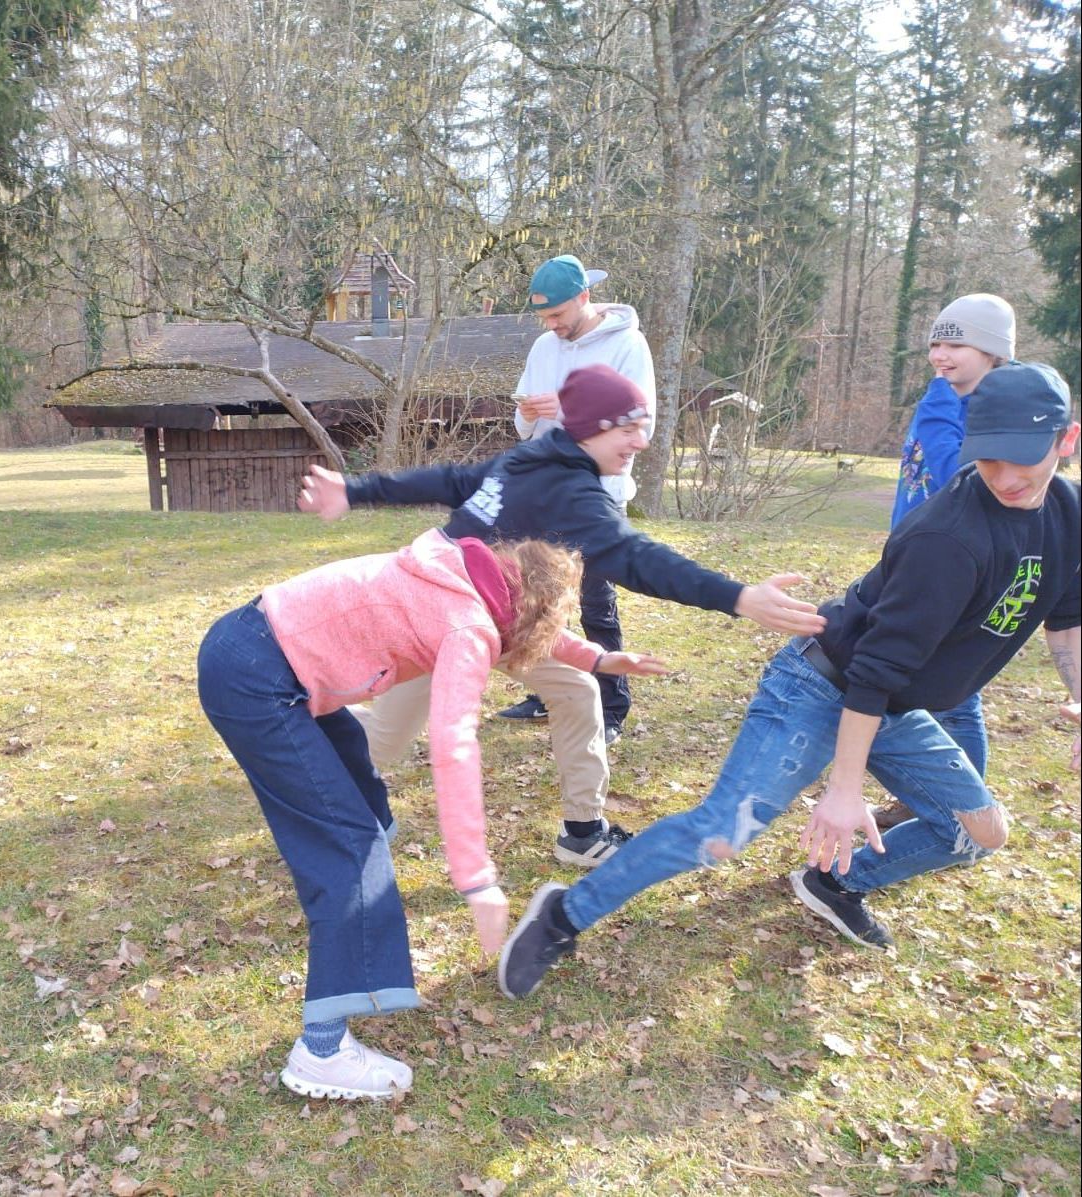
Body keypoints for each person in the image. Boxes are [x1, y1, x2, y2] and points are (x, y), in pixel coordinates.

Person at [498, 361, 1080, 1000]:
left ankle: (836, 882)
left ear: (1067, 440)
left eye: (1022, 459)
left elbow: (1067, 620)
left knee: (979, 832)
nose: (1005, 477)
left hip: (896, 707)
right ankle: (562, 915)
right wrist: (843, 789)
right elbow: (873, 671)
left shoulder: (1068, 515)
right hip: (822, 687)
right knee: (721, 834)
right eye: (989, 459)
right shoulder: (948, 537)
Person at [197, 530, 667, 1100]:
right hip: (259, 683)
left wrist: (597, 657)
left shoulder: (468, 572)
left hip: (252, 647)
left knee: (361, 798)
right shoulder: (468, 629)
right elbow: (454, 749)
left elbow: (522, 619)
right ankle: (320, 1052)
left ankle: (359, 915)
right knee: (350, 852)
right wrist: (477, 880)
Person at [298, 364, 825, 870]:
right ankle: (300, 734)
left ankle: (583, 832)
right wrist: (737, 597)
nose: (641, 441)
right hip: (443, 621)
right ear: (593, 427)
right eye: (629, 428)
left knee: (577, 691)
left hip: (502, 617)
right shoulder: (564, 489)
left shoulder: (534, 462)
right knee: (384, 742)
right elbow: (636, 558)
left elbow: (452, 480)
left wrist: (355, 490)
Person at [500, 253, 658, 744]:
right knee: (541, 598)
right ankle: (548, 692)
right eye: (544, 317)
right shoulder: (544, 347)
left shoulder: (627, 345)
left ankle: (611, 708)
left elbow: (639, 424)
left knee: (594, 601)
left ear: (584, 297)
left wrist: (568, 410)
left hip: (596, 494)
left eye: (558, 314)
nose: (551, 325)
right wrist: (528, 413)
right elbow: (523, 425)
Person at [884, 293, 1016, 800]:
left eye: (955, 345)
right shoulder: (947, 399)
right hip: (920, 558)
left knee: (956, 696)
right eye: (935, 344)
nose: (940, 355)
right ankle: (941, 801)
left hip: (962, 567)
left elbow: (950, 476)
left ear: (992, 352)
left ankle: (965, 809)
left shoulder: (991, 408)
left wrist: (937, 400)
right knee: (925, 688)